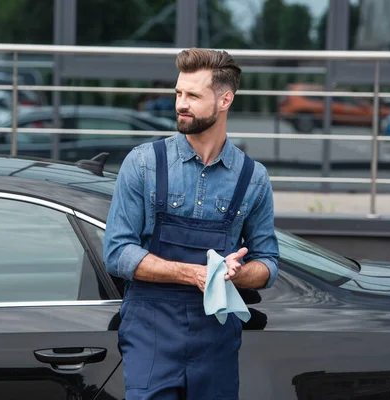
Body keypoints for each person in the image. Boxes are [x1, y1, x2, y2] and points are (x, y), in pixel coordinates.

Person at [103, 48, 280, 400]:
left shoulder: (253, 178)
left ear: (225, 99)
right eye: (178, 93)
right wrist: (196, 274)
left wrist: (236, 274)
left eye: (193, 96)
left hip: (215, 337)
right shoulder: (142, 164)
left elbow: (268, 263)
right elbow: (117, 252)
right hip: (150, 333)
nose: (181, 104)